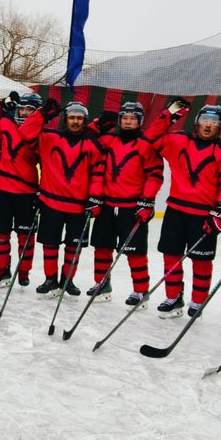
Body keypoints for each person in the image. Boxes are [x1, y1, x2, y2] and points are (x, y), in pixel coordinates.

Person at [145, 101, 221, 318]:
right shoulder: (179, 140)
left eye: (214, 122)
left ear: (220, 126)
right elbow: (151, 137)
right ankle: (173, 297)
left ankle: (198, 301)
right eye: (205, 120)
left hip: (204, 214)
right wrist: (168, 115)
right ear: (197, 122)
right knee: (171, 255)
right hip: (176, 210)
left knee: (202, 261)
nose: (208, 126)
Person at [18, 100, 104, 297]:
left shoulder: (93, 145)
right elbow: (24, 133)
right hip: (51, 202)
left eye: (79, 118)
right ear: (65, 119)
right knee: (50, 244)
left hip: (79, 206)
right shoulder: (49, 137)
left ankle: (67, 280)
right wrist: (42, 114)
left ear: (85, 121)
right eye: (72, 117)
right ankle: (50, 279)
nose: (75, 121)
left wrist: (96, 198)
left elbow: (98, 173)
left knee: (73, 247)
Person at [85, 102, 164, 307]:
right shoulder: (109, 139)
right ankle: (102, 283)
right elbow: (87, 137)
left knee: (134, 252)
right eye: (124, 118)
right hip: (108, 203)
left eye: (133, 118)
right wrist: (99, 123)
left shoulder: (147, 144)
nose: (128, 122)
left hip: (133, 206)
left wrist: (147, 201)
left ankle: (140, 291)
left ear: (140, 121)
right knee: (102, 247)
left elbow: (155, 176)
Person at [0, 91, 40, 287]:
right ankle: (3, 268)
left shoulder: (40, 132)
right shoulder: (5, 123)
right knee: (0, 233)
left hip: (26, 192)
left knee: (25, 235)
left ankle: (23, 271)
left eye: (30, 110)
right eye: (22, 108)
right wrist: (3, 104)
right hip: (2, 189)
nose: (24, 113)